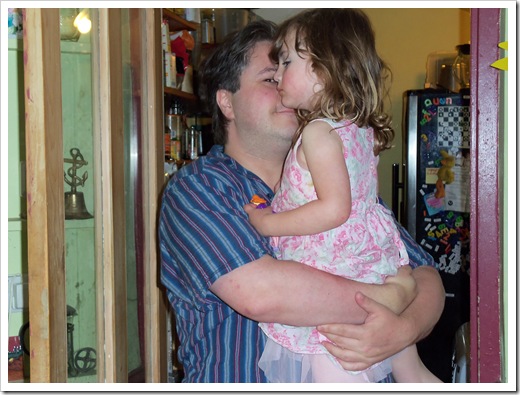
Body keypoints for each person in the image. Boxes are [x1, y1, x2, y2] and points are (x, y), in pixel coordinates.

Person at [159, 18, 445, 383]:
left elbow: (424, 274)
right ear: (226, 102)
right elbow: (262, 293)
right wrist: (388, 297)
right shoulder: (200, 188)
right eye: (269, 76)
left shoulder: (336, 173)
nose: (284, 84)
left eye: (290, 68)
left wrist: (403, 330)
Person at [243, 9, 442, 383]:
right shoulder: (356, 128)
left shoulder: (318, 132)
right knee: (412, 373)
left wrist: (269, 221)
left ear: (322, 71)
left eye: (287, 61)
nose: (279, 74)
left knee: (331, 365)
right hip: (371, 261)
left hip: (335, 268)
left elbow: (334, 209)